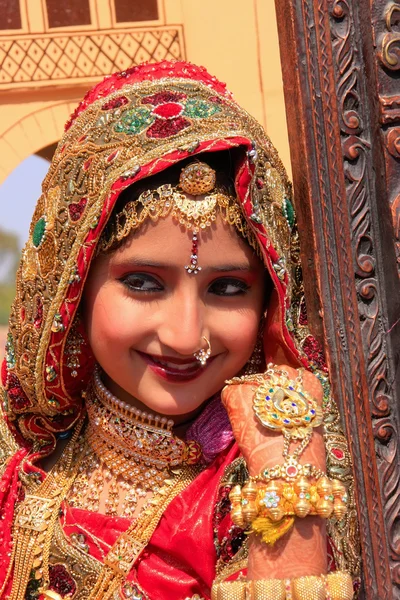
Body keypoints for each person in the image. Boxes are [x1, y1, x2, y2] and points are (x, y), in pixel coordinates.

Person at [0, 61, 360, 600]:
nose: (186, 337)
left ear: (270, 299)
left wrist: (286, 474)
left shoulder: (272, 473)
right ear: (70, 285)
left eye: (229, 288)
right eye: (143, 282)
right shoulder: (20, 454)